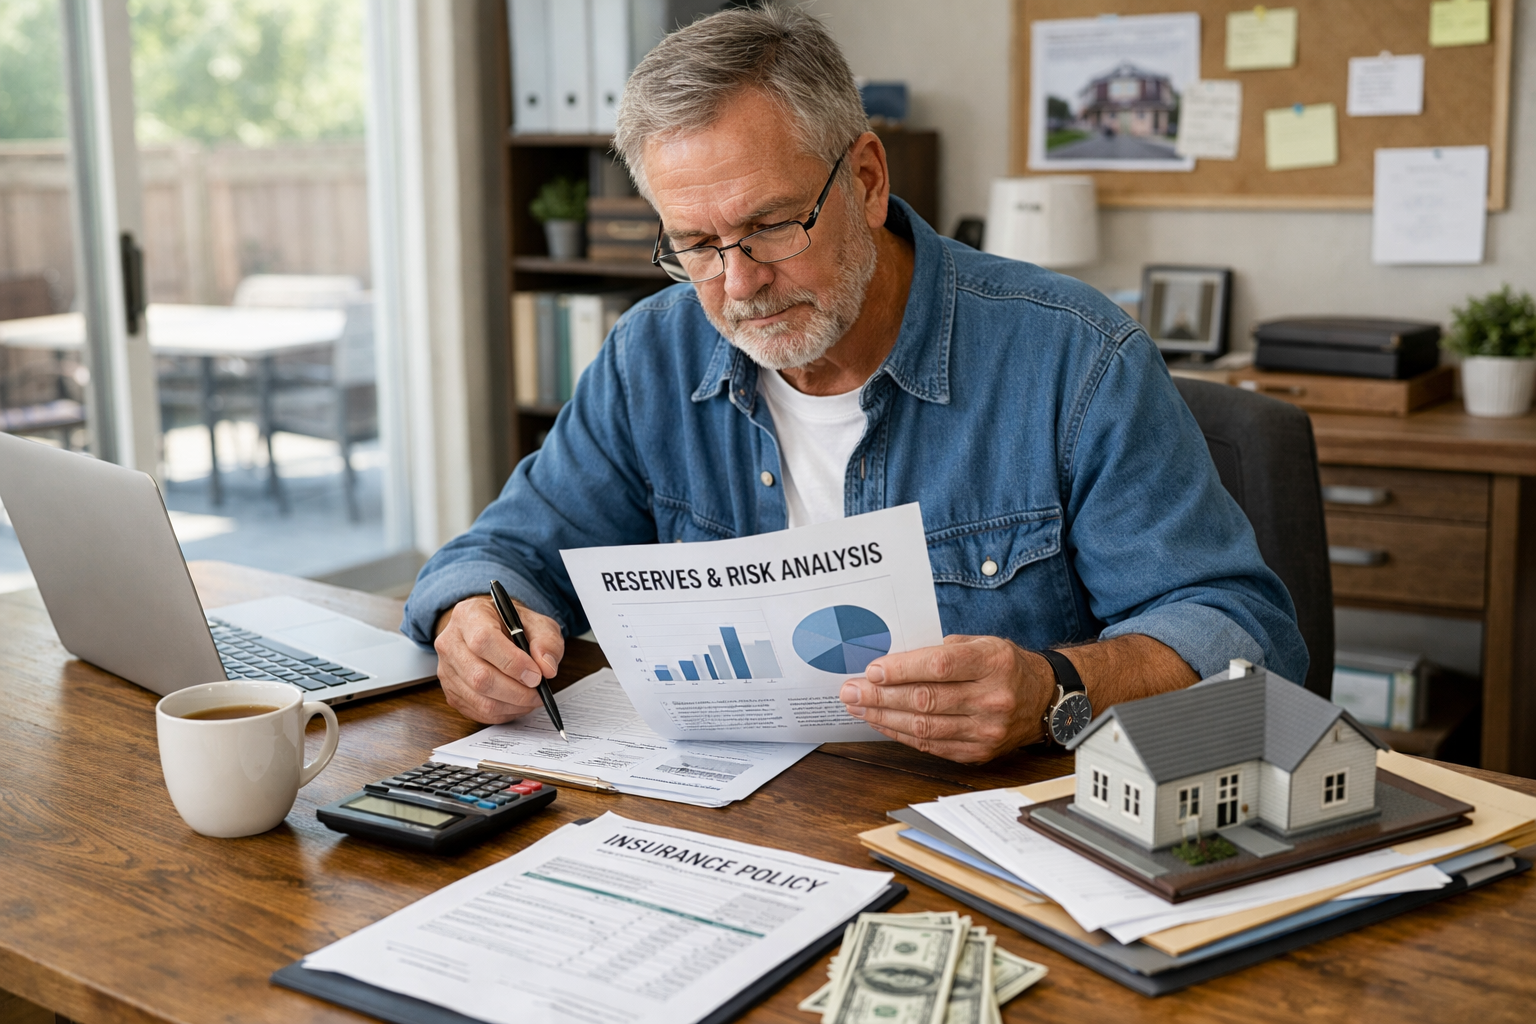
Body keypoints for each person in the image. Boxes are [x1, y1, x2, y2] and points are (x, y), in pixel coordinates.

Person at [402, 7, 1306, 764]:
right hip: (739, 829)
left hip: (992, 837)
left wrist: (1054, 688)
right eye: (697, 247)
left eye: (771, 225)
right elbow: (502, 555)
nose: (741, 283)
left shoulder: (1075, 358)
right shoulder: (652, 357)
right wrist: (476, 622)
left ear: (867, 179)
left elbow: (1241, 635)